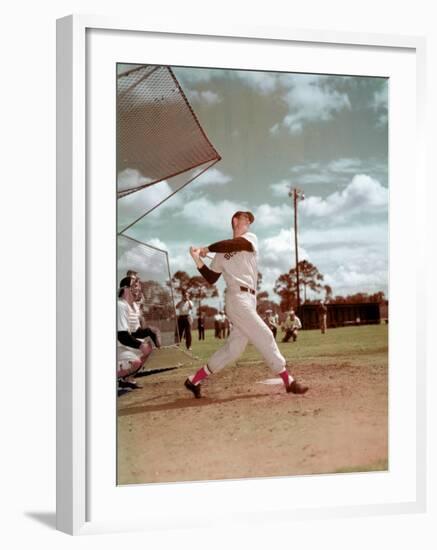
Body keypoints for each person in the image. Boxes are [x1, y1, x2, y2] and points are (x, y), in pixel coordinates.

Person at [183, 210, 308, 398]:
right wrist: (197, 259)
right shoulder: (220, 254)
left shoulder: (249, 239)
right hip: (237, 298)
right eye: (245, 219)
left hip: (249, 300)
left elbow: (236, 244)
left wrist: (207, 249)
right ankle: (288, 380)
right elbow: (211, 278)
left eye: (250, 220)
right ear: (235, 221)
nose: (249, 221)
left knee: (233, 350)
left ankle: (194, 380)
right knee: (265, 334)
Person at [117, 276, 161, 390]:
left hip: (123, 344)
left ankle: (126, 380)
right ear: (126, 289)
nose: (138, 289)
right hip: (117, 345)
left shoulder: (134, 306)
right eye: (134, 286)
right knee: (136, 361)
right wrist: (141, 345)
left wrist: (149, 330)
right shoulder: (120, 305)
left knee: (148, 347)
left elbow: (135, 332)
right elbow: (121, 336)